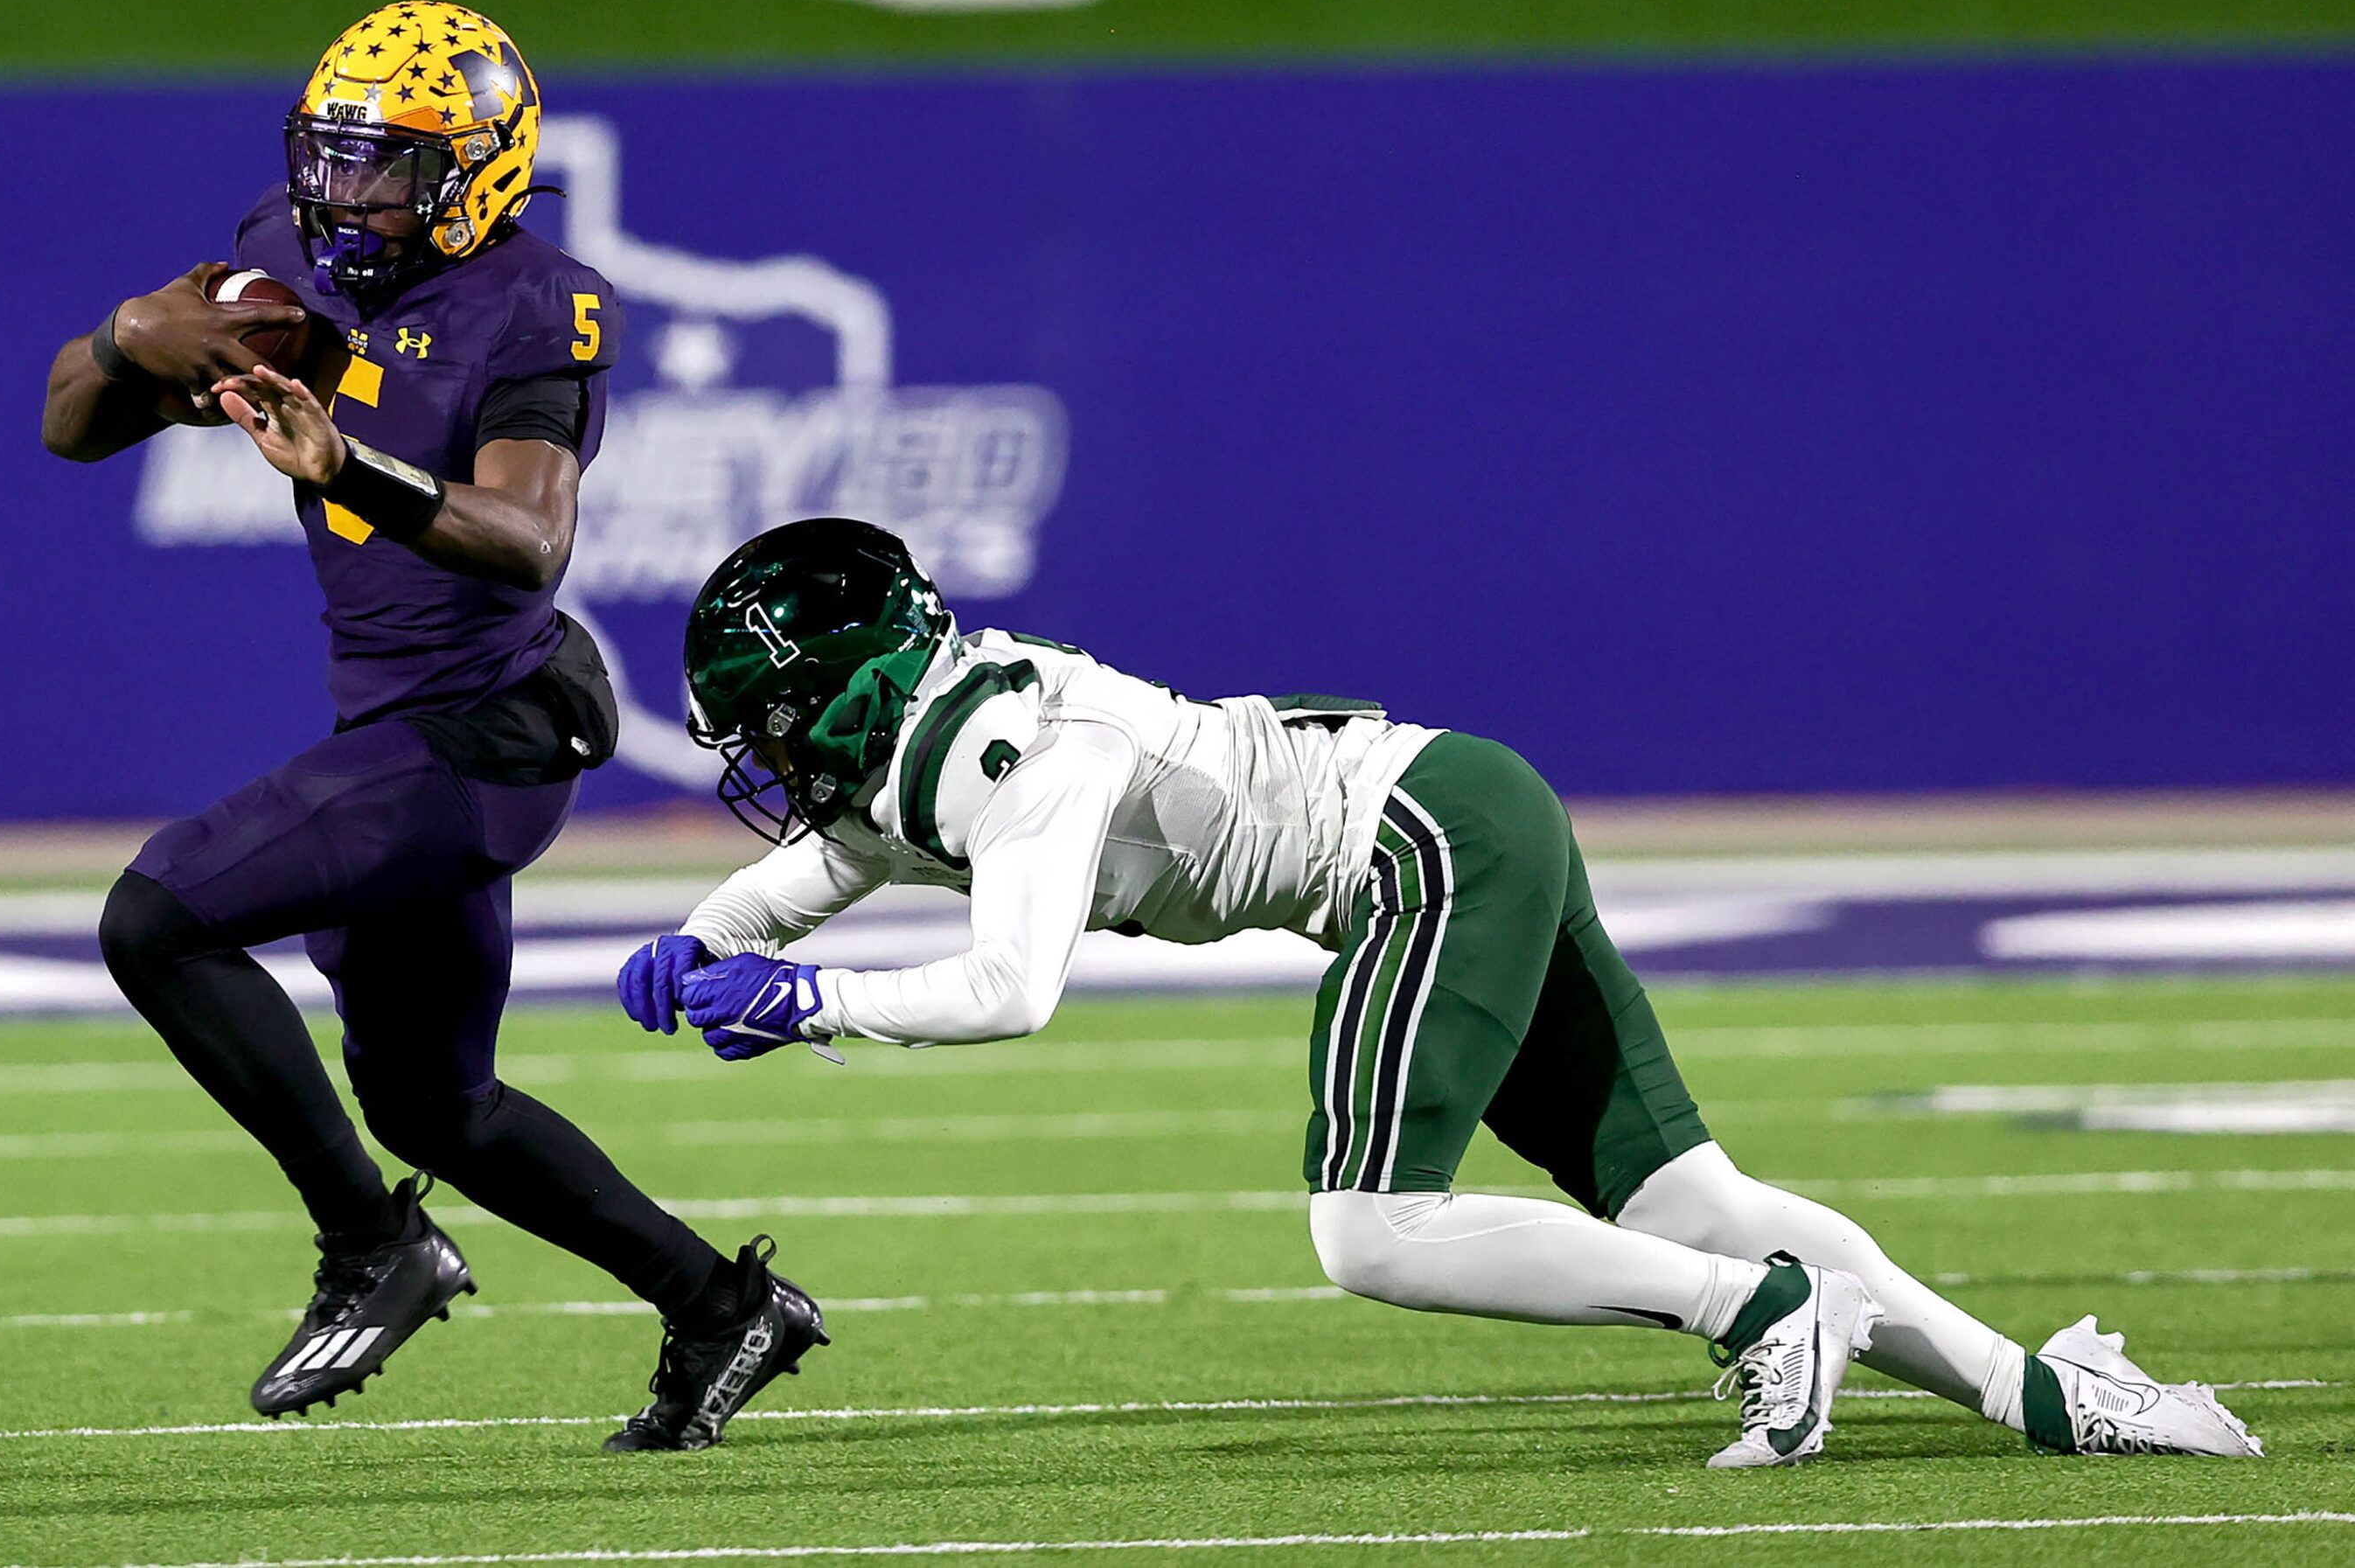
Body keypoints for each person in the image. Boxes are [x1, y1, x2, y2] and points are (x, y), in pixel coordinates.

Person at [617, 516, 2261, 1467]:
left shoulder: (1015, 753)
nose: (762, 758)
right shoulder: (933, 738)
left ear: (853, 684)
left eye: (771, 716)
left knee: (1373, 1227)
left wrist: (815, 1008)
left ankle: (1763, 1315)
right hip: (1465, 804)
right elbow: (819, 867)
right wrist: (704, 940)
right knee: (1691, 1189)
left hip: (1417, 844)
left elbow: (1009, 988)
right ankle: (2042, 1390)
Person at [41, 1, 822, 1453]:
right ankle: (718, 1304)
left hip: (487, 737)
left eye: (389, 169)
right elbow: (69, 426)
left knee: (156, 919)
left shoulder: (537, 302)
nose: (349, 199)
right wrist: (127, 335)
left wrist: (348, 455)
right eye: (334, 162)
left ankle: (371, 1245)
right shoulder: (280, 251)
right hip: (394, 727)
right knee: (433, 1103)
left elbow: (527, 537)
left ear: (479, 170)